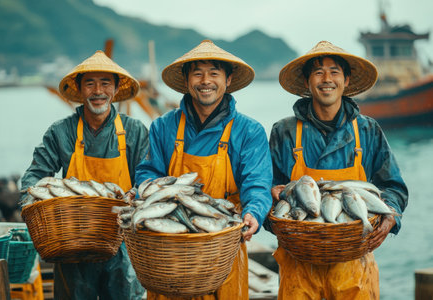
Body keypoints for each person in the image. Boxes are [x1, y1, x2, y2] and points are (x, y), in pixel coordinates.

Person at [266, 40, 408, 299]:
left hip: (355, 267)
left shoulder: (367, 130)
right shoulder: (283, 132)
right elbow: (266, 190)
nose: (326, 79)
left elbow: (393, 186)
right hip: (299, 265)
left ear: (346, 79)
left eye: (334, 71)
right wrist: (270, 201)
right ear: (308, 82)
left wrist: (390, 217)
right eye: (318, 72)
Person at [135, 39, 273, 300]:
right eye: (197, 73)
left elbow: (257, 183)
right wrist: (148, 196)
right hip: (170, 249)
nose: (205, 81)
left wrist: (254, 213)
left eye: (214, 73)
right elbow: (148, 172)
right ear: (187, 81)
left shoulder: (249, 131)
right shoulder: (163, 126)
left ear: (228, 79)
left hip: (225, 245)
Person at [20, 50, 148, 300]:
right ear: (79, 89)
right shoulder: (61, 132)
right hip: (72, 242)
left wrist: (138, 193)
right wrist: (28, 202)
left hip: (122, 244)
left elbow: (148, 178)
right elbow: (35, 176)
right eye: (90, 83)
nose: (98, 91)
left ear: (115, 88)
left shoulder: (134, 131)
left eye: (105, 83)